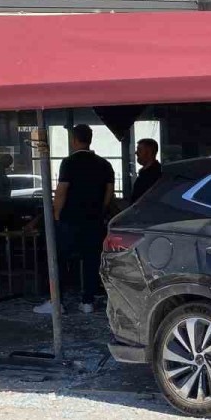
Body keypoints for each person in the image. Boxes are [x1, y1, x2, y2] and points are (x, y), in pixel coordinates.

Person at [33, 124, 114, 315]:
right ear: (90, 139)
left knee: (58, 258)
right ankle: (88, 301)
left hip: (70, 219)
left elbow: (61, 191)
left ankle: (57, 302)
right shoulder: (104, 164)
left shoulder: (69, 163)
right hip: (94, 220)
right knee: (91, 259)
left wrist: (56, 215)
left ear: (74, 140)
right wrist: (100, 211)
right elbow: (109, 194)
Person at [129, 138, 162, 203]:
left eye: (140, 150)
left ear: (149, 153)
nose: (136, 153)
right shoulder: (144, 174)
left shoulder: (156, 175)